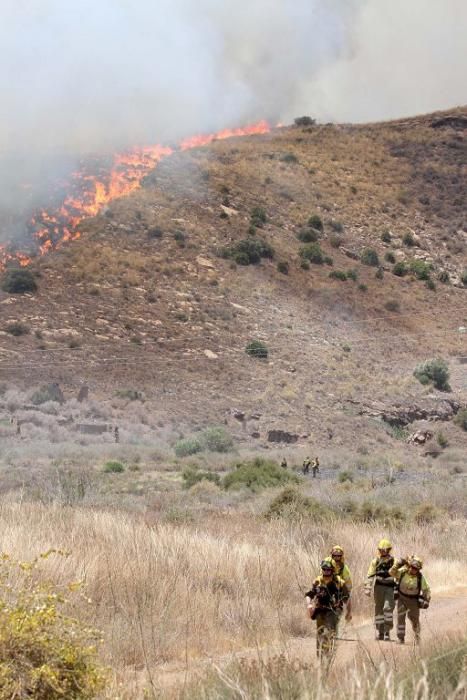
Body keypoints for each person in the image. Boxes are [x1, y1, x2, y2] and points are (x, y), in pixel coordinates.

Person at [305, 560, 350, 660]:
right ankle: (320, 657)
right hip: (320, 611)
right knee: (320, 633)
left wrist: (349, 612)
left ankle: (327, 656)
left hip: (334, 611)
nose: (325, 571)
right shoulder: (318, 581)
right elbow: (309, 595)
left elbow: (347, 598)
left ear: (332, 570)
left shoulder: (339, 583)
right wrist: (309, 605)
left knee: (327, 632)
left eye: (328, 570)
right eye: (324, 569)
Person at [390, 555, 430, 644]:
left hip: (414, 602)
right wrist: (398, 564)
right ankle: (401, 639)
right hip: (401, 599)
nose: (413, 569)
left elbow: (426, 589)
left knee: (415, 620)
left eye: (416, 568)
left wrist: (426, 600)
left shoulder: (420, 577)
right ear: (409, 566)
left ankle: (417, 637)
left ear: (419, 569)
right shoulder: (403, 572)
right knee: (400, 619)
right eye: (412, 567)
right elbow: (391, 572)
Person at [364, 539, 396, 641]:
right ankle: (380, 632)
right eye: (381, 550)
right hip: (378, 588)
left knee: (388, 608)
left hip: (390, 588)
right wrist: (368, 588)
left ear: (388, 550)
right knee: (379, 610)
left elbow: (400, 574)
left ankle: (387, 631)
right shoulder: (375, 561)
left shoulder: (394, 562)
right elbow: (370, 575)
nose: (382, 551)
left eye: (384, 550)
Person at [325, 545, 352, 621]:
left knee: (347, 599)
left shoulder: (344, 568)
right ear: (332, 555)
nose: (336, 558)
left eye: (338, 556)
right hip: (327, 587)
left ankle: (348, 613)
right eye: (335, 556)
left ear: (341, 556)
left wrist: (347, 590)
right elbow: (321, 574)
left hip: (338, 589)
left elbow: (348, 581)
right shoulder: (327, 562)